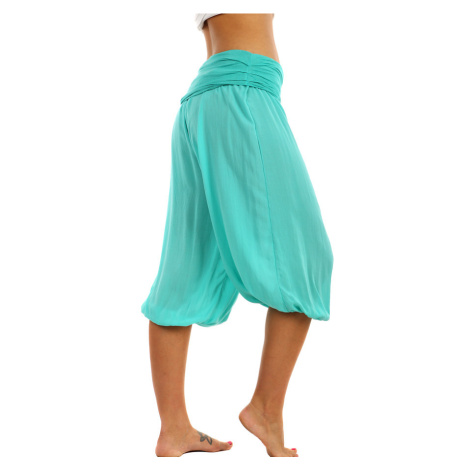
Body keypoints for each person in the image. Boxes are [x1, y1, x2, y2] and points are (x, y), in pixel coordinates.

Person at [141, 13, 334, 457]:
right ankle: (265, 409)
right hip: (243, 94)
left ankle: (173, 429)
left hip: (206, 102)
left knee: (185, 271)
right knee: (308, 256)